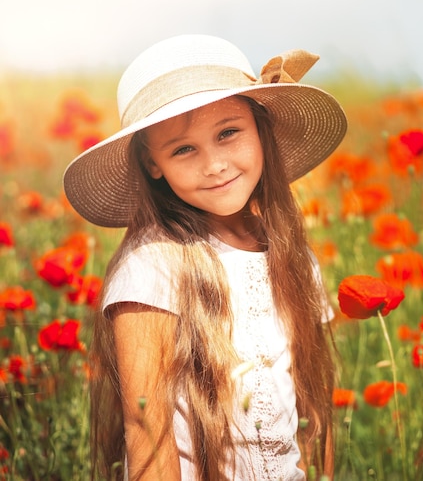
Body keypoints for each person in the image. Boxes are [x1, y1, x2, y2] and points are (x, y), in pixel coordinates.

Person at [63, 34, 347, 481]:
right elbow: (147, 436)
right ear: (152, 162)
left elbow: (313, 411)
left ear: (260, 128)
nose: (214, 164)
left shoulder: (294, 258)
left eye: (228, 133)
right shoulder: (152, 268)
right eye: (183, 148)